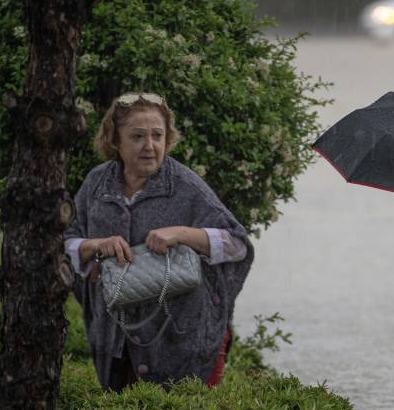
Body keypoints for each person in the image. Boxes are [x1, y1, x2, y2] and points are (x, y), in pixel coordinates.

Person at [65, 92, 253, 392]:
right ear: (115, 140)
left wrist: (182, 233)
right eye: (137, 136)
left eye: (157, 135)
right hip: (116, 340)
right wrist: (95, 245)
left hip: (186, 337)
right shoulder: (96, 184)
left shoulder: (185, 185)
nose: (149, 146)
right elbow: (64, 243)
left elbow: (238, 243)